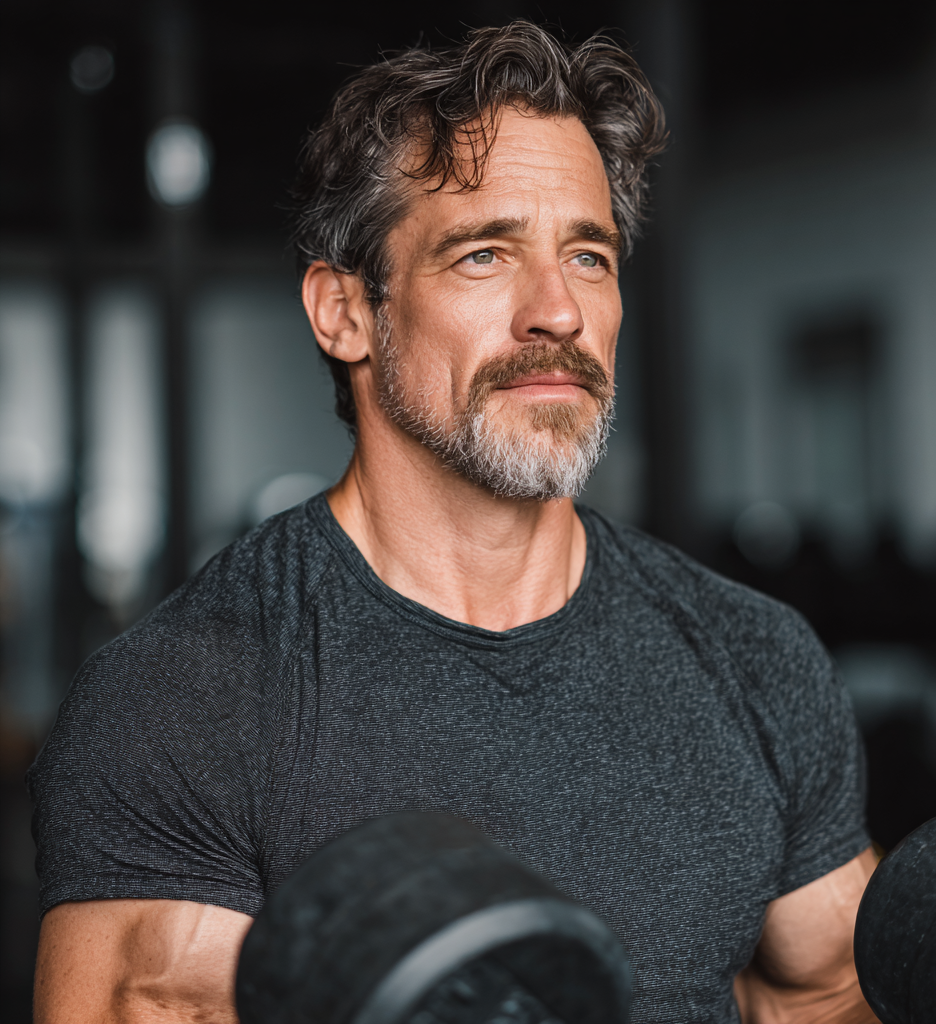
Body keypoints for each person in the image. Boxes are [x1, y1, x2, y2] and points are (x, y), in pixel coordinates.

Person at [29, 21, 878, 1024]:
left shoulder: (753, 658)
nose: (556, 311)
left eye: (589, 255)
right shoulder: (188, 699)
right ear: (344, 311)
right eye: (485, 254)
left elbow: (822, 994)